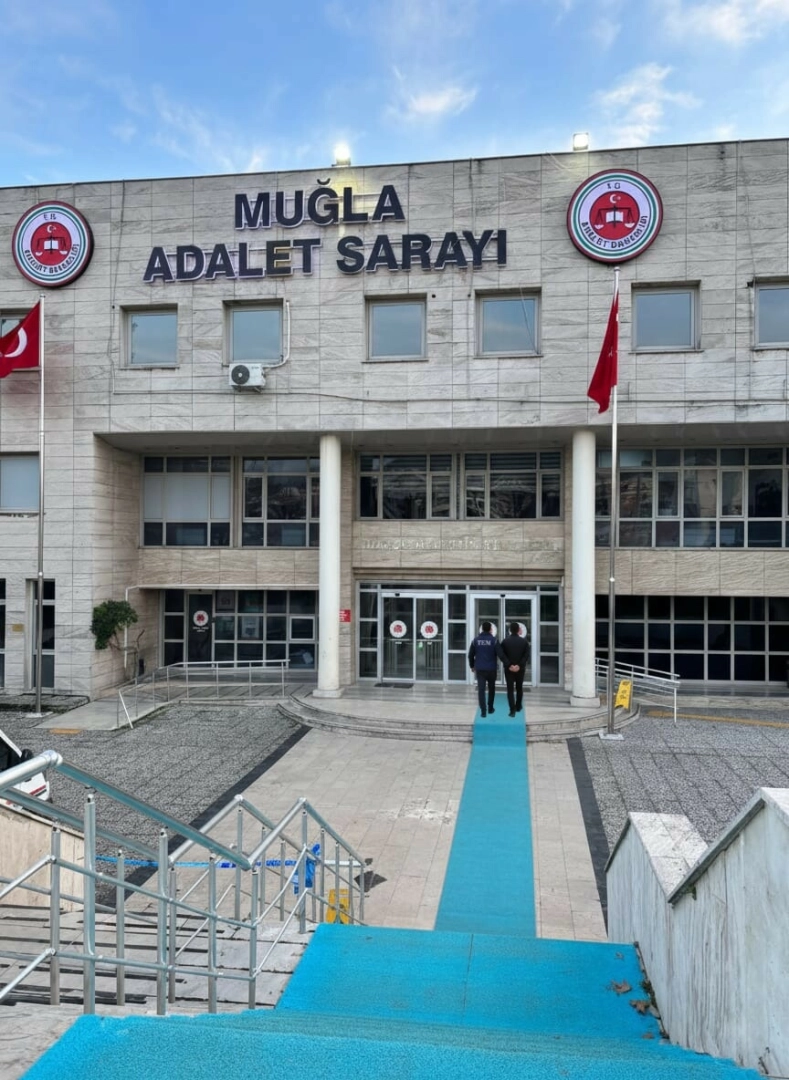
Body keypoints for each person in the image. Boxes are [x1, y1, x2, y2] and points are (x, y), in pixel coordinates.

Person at [497, 621, 531, 717]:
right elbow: (526, 655)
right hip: (520, 669)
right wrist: (519, 665)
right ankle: (518, 706)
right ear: (518, 630)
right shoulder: (524, 642)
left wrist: (509, 665)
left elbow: (501, 655)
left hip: (509, 669)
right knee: (519, 688)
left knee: (510, 689)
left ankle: (512, 710)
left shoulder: (505, 641)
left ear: (510, 630)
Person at [468, 621, 499, 717]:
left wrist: (472, 666)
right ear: (490, 629)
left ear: (482, 629)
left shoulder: (475, 640)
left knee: (481, 690)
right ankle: (490, 708)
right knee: (491, 689)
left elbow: (470, 655)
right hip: (491, 669)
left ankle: (483, 711)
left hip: (480, 669)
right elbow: (500, 653)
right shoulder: (494, 640)